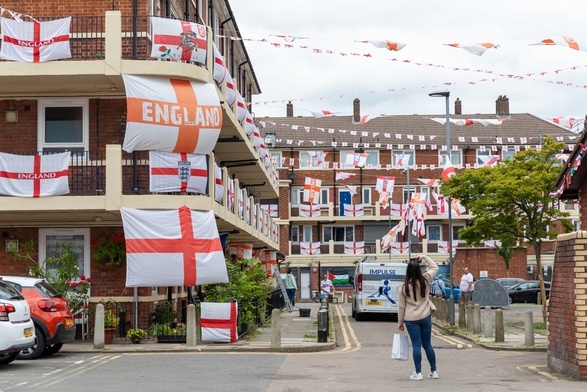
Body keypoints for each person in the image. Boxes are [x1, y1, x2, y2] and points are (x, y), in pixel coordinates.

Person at [397, 255, 439, 381]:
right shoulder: (425, 279)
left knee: (416, 345)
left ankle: (418, 372)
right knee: (427, 344)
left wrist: (400, 322)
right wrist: (425, 257)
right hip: (425, 316)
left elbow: (401, 306)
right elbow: (434, 267)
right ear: (419, 270)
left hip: (411, 319)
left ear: (408, 271)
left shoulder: (403, 287)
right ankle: (433, 371)